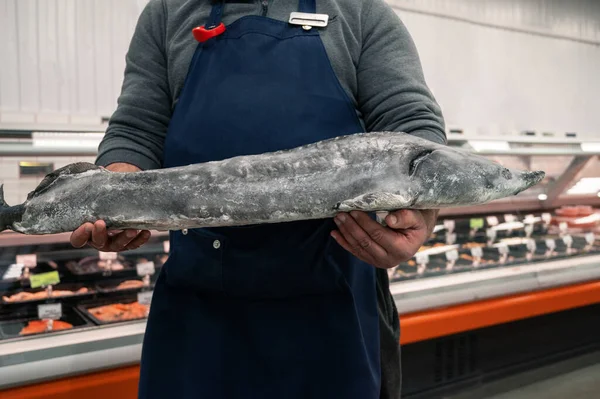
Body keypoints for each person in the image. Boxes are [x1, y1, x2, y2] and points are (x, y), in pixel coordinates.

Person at [70, 0, 446, 398]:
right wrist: (116, 195)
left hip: (331, 315)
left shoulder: (361, 14)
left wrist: (422, 209)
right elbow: (137, 128)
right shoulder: (168, 12)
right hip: (198, 317)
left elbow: (411, 126)